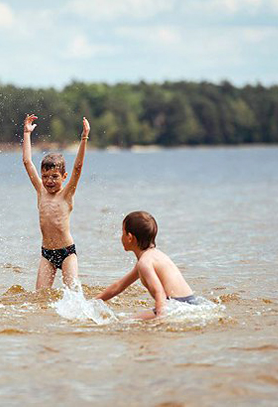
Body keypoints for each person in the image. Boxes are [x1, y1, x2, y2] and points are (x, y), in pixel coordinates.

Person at [22, 114, 90, 290]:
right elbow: (27, 162)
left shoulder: (67, 194)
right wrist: (27, 133)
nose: (49, 181)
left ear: (64, 177)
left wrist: (84, 137)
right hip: (47, 254)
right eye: (45, 177)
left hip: (67, 252)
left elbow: (78, 167)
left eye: (54, 177)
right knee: (40, 296)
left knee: (73, 293)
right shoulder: (40, 191)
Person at [96, 211, 195, 319]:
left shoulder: (145, 263)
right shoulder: (153, 256)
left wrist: (160, 319)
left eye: (122, 232)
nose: (121, 236)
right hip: (191, 303)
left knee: (126, 322)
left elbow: (159, 292)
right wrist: (93, 302)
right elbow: (118, 286)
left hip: (174, 306)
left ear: (130, 237)